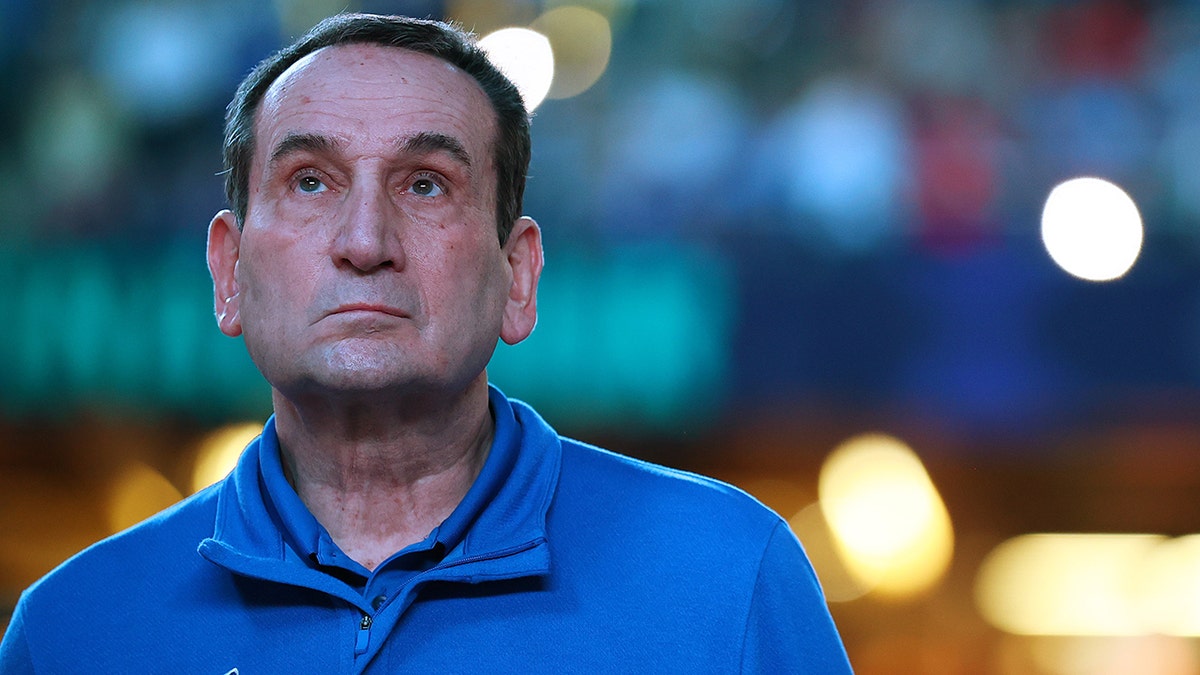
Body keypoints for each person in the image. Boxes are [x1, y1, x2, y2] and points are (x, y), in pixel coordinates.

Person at [0, 13, 851, 672]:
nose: (366, 239)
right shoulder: (74, 629)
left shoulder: (728, 578)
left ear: (518, 276)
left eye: (425, 183)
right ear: (228, 272)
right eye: (309, 180)